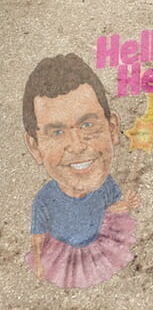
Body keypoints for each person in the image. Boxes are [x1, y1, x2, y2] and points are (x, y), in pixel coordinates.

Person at [22, 53, 138, 288]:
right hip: (63, 253)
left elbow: (111, 209)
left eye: (88, 124)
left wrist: (124, 205)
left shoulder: (107, 184)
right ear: (35, 147)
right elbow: (38, 234)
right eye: (57, 132)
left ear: (112, 128)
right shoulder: (44, 199)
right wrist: (40, 262)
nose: (77, 146)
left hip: (96, 244)